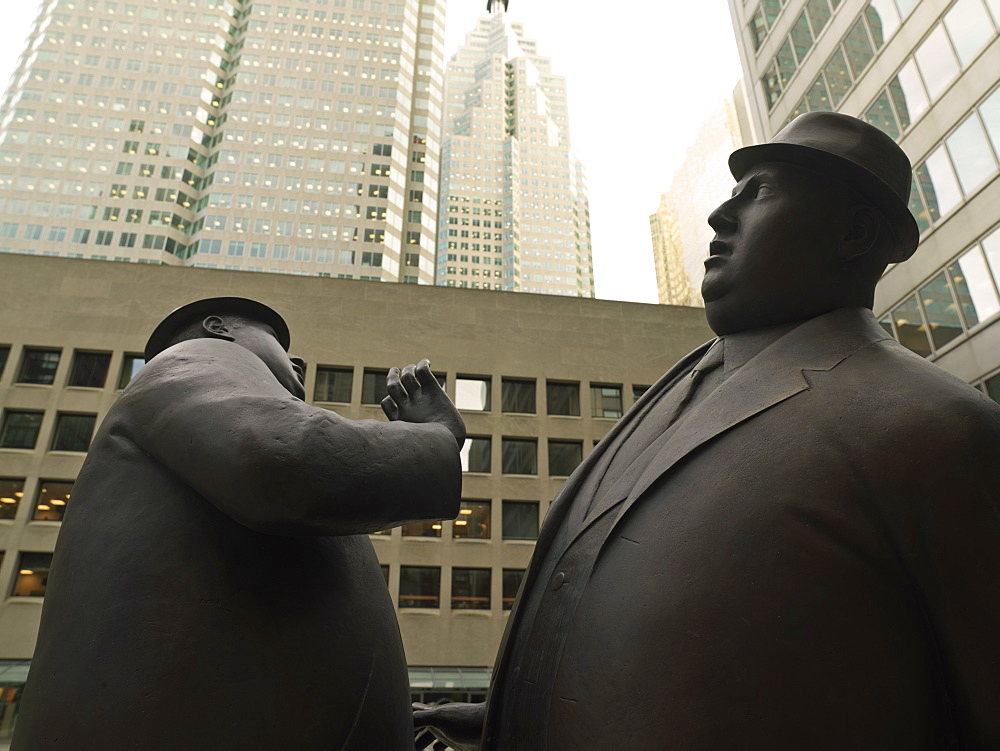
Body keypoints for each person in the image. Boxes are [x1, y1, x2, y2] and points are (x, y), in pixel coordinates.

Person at [415, 112, 1000, 749]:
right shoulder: (671, 391)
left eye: (762, 192)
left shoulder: (935, 426)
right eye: (732, 193)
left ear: (855, 231)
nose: (722, 215)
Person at [13, 297, 465, 751]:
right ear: (218, 328)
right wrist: (435, 437)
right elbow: (285, 458)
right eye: (278, 343)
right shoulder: (193, 359)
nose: (298, 360)